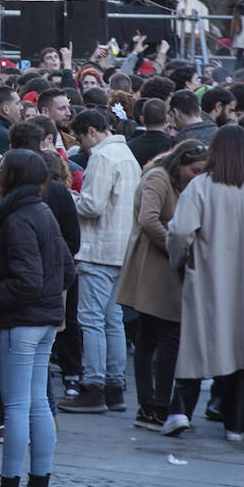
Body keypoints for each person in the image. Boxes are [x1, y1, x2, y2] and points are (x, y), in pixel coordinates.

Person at [168, 126, 244, 441]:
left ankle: (179, 411)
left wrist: (179, 259)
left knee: (197, 344)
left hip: (211, 276)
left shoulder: (201, 186)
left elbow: (181, 230)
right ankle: (235, 426)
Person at [0, 149, 75, 487]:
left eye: (2, 172)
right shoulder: (42, 211)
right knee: (35, 404)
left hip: (21, 321)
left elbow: (26, 281)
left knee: (18, 406)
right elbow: (66, 269)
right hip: (44, 320)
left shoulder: (17, 217)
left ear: (12, 177)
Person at [115, 139, 208, 435]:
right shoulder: (158, 177)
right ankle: (155, 406)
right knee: (161, 338)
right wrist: (175, 245)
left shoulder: (183, 184)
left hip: (166, 267)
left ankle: (152, 406)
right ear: (179, 164)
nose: (196, 176)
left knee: (153, 338)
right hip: (155, 268)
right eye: (193, 170)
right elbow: (148, 219)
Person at [61, 108, 140, 414]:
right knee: (112, 321)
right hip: (121, 249)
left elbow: (92, 205)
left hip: (98, 249)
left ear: (91, 131)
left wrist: (68, 196)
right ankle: (115, 386)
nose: (81, 145)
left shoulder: (103, 157)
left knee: (92, 320)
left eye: (81, 138)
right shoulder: (127, 154)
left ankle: (94, 385)